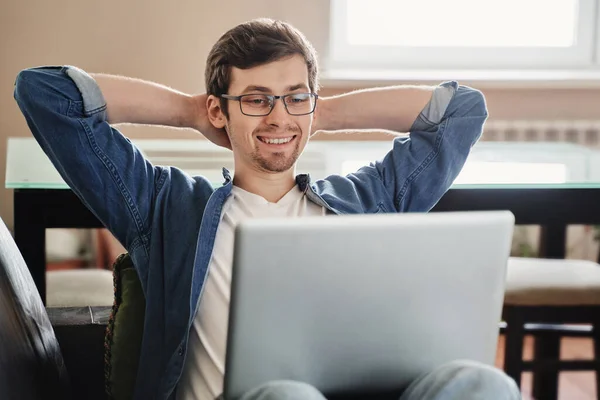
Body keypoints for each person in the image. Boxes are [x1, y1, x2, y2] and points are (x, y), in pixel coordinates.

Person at [13, 18, 520, 400]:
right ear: (221, 109)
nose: (279, 116)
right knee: (287, 395)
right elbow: (46, 93)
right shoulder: (166, 206)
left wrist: (325, 113)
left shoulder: (368, 201)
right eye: (256, 100)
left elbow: (461, 112)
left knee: (480, 383)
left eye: (294, 98)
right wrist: (192, 111)